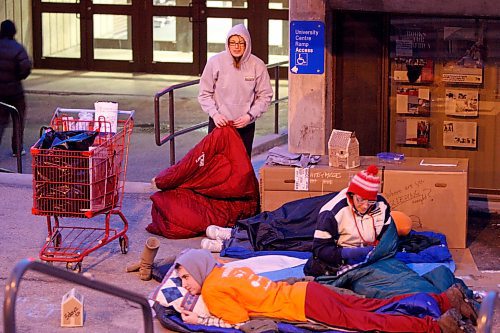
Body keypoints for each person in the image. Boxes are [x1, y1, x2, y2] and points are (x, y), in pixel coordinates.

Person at [174, 248, 477, 333]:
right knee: (371, 307)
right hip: (311, 292)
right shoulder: (229, 269)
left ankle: (434, 327)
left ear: (200, 270)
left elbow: (241, 322)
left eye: (186, 277)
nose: (186, 285)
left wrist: (201, 321)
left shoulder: (212, 291)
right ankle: (445, 298)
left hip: (306, 308)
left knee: (371, 321)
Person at [198, 23, 273, 157]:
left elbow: (265, 96)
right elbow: (204, 93)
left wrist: (250, 116)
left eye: (240, 43)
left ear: (247, 44)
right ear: (227, 43)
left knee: (241, 168)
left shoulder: (258, 65)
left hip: (245, 125)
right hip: (219, 124)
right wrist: (215, 114)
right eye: (232, 42)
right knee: (216, 166)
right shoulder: (215, 62)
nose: (236, 46)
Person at [304, 165, 392, 276]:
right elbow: (319, 249)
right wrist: (348, 253)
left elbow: (387, 236)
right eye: (360, 200)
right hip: (339, 260)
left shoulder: (381, 205)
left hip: (371, 257)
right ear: (352, 194)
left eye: (370, 201)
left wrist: (378, 249)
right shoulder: (331, 213)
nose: (365, 206)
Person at [0, 19, 32, 157]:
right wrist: (17, 77)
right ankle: (17, 148)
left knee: (0, 121)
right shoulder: (18, 48)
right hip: (15, 92)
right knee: (18, 119)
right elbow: (25, 68)